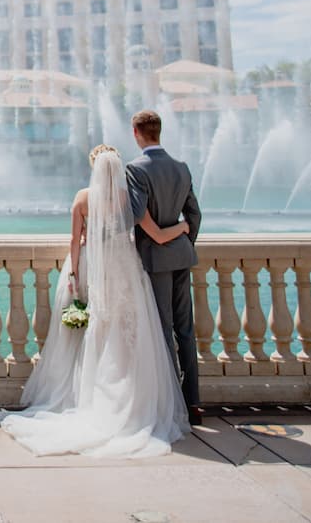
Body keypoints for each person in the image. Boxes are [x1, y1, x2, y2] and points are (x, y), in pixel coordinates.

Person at [0, 144, 189, 457]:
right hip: (127, 271)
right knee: (129, 337)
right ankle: (131, 399)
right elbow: (156, 235)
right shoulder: (131, 199)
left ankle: (93, 396)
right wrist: (182, 226)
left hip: (94, 269)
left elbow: (75, 240)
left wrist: (73, 274)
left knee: (94, 333)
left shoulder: (83, 198)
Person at [123, 109, 203, 424]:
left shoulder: (136, 169)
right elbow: (194, 215)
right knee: (185, 328)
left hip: (155, 259)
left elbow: (135, 213)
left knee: (161, 328)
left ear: (136, 133)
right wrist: (184, 242)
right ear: (159, 132)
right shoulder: (182, 167)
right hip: (182, 255)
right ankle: (194, 402)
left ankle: (172, 407)